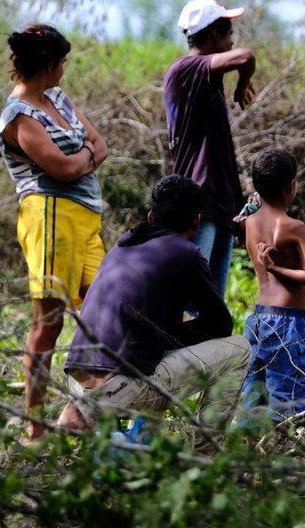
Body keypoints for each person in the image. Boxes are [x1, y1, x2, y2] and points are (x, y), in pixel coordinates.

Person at [57, 175, 250, 433]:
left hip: (77, 384)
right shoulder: (185, 252)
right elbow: (221, 324)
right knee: (239, 349)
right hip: (121, 389)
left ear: (150, 217)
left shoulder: (121, 247)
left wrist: (160, 337)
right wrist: (166, 336)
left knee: (150, 355)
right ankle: (204, 457)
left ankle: (115, 432)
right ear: (197, 221)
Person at [0, 23, 108, 441]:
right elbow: (63, 168)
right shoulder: (19, 115)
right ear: (47, 65)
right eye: (61, 63)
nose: (64, 71)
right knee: (49, 321)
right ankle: (35, 423)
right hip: (49, 216)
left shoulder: (56, 98)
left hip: (85, 217)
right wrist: (84, 158)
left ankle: (84, 410)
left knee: (103, 309)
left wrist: (80, 158)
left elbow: (101, 145)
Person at [163, 0, 258, 298]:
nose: (232, 41)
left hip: (218, 206)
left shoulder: (208, 82)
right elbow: (246, 57)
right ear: (214, 34)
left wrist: (238, 211)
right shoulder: (186, 69)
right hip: (198, 205)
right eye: (229, 32)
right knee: (191, 299)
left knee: (212, 302)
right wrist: (242, 84)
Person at [240, 149, 305, 422]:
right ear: (291, 186)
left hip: (259, 320)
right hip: (289, 324)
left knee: (256, 398)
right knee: (291, 402)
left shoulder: (250, 222)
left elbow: (238, 226)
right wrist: (275, 267)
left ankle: (252, 456)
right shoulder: (293, 227)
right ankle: (282, 455)